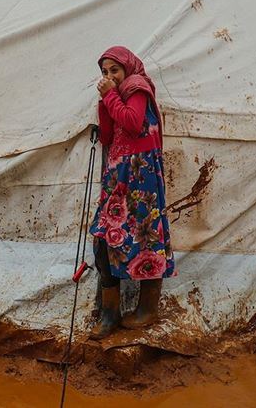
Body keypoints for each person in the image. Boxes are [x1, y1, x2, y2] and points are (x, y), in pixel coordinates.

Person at [88, 46, 176, 340]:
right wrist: (105, 103)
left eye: (115, 70)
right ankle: (110, 313)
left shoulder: (137, 88)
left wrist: (109, 95)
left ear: (127, 68)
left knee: (147, 237)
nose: (110, 76)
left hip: (141, 179)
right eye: (104, 71)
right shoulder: (116, 95)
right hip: (118, 178)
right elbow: (110, 136)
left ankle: (148, 308)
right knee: (103, 240)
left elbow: (134, 122)